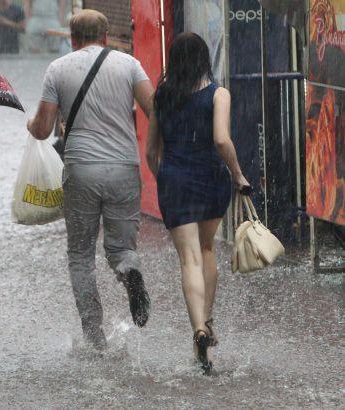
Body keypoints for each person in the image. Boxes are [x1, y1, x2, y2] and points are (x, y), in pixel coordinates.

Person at [27, 9, 154, 350]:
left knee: (81, 254)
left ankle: (95, 336)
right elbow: (153, 108)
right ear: (106, 36)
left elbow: (42, 129)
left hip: (81, 168)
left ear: (72, 38)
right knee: (121, 247)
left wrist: (31, 123)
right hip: (124, 167)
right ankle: (129, 270)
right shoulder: (128, 64)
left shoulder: (58, 68)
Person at [146, 32, 250, 374]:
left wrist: (165, 176)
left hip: (175, 178)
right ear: (205, 58)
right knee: (206, 251)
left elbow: (151, 151)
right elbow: (221, 140)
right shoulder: (219, 94)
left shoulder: (162, 96)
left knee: (188, 258)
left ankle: (199, 330)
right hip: (210, 178)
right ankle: (207, 321)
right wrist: (237, 174)